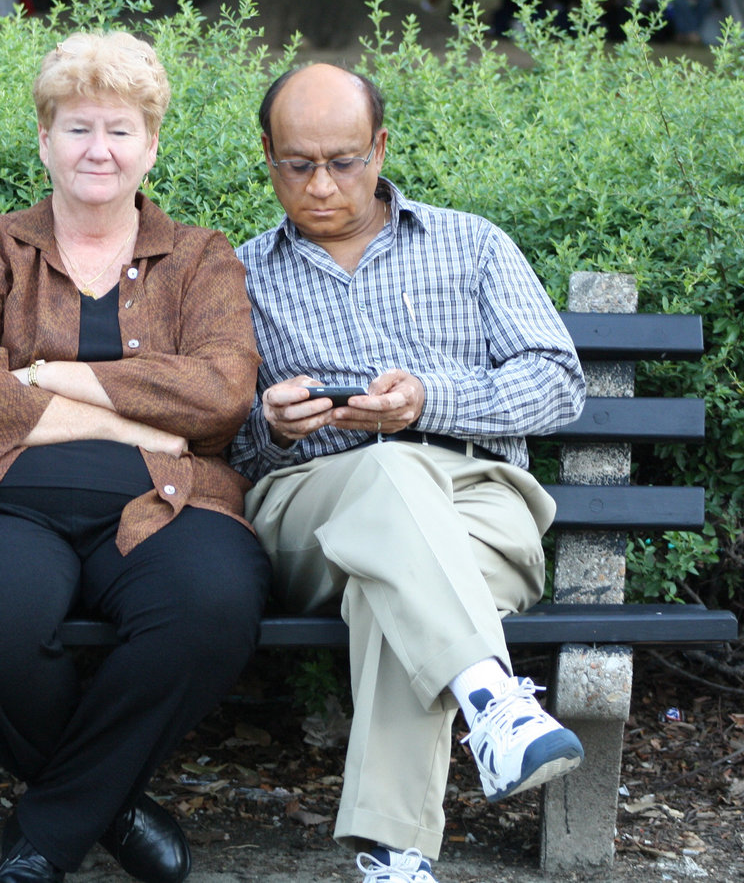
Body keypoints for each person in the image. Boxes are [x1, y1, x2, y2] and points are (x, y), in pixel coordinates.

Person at [0, 31, 272, 883]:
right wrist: (127, 422)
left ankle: (48, 831)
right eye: (77, 128)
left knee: (211, 605)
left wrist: (51, 375)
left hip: (165, 500)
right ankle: (108, 809)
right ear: (44, 139)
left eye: (121, 130)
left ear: (152, 144)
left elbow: (222, 392)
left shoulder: (201, 258)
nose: (99, 150)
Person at [229, 64, 587, 883]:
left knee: (388, 589)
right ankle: (494, 703)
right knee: (385, 474)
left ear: (381, 147)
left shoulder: (473, 243)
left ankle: (395, 857)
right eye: (298, 164)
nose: (322, 184)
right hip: (313, 508)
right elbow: (226, 446)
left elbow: (558, 382)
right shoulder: (239, 274)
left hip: (479, 504)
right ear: (267, 155)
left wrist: (429, 398)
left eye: (345, 161)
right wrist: (271, 424)